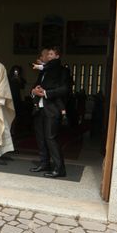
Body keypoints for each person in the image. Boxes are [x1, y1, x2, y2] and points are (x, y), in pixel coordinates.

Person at [29, 45, 70, 178]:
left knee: (51, 139)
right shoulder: (43, 71)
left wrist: (46, 93)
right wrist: (33, 91)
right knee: (40, 139)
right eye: (45, 55)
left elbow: (64, 89)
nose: (46, 57)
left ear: (56, 56)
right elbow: (35, 86)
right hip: (38, 109)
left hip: (52, 109)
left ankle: (59, 169)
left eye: (49, 54)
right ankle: (44, 164)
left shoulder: (63, 71)